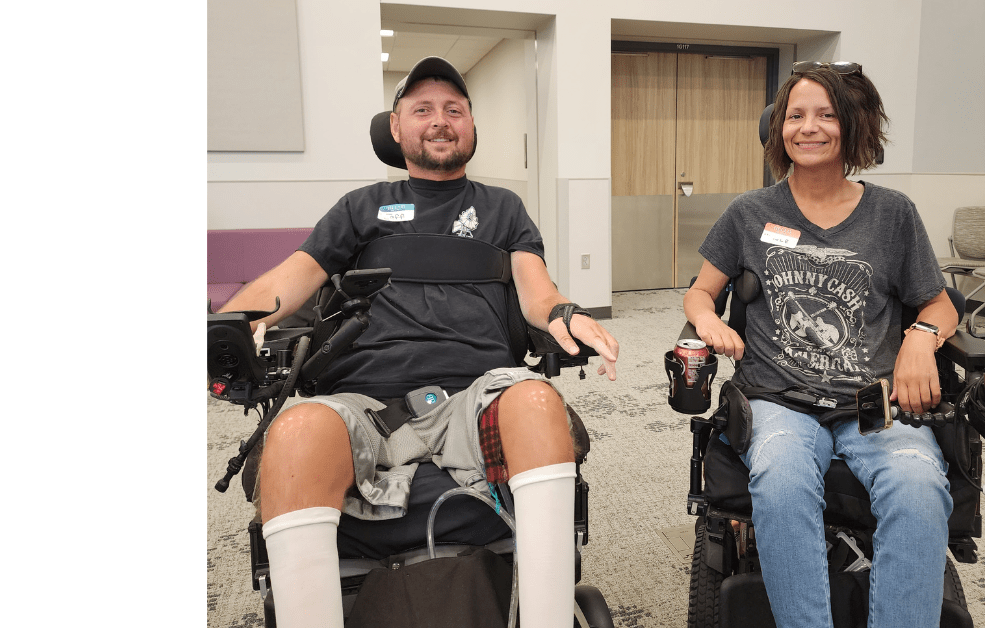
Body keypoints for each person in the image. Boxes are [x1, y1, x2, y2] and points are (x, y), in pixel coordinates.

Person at [220, 56, 619, 628]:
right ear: (396, 128)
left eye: (454, 110)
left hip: (479, 397)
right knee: (297, 430)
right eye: (422, 109)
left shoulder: (503, 209)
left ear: (472, 130)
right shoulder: (361, 208)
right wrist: (223, 328)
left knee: (537, 400)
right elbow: (287, 282)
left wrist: (565, 315)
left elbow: (537, 294)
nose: (440, 120)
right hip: (365, 404)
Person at [683, 61, 957, 628]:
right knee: (780, 480)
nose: (808, 127)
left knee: (920, 486)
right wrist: (706, 321)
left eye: (826, 115)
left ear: (851, 126)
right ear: (779, 128)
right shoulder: (750, 213)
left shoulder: (892, 214)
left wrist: (919, 341)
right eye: (796, 115)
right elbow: (700, 293)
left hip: (871, 404)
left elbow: (938, 303)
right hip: (777, 399)